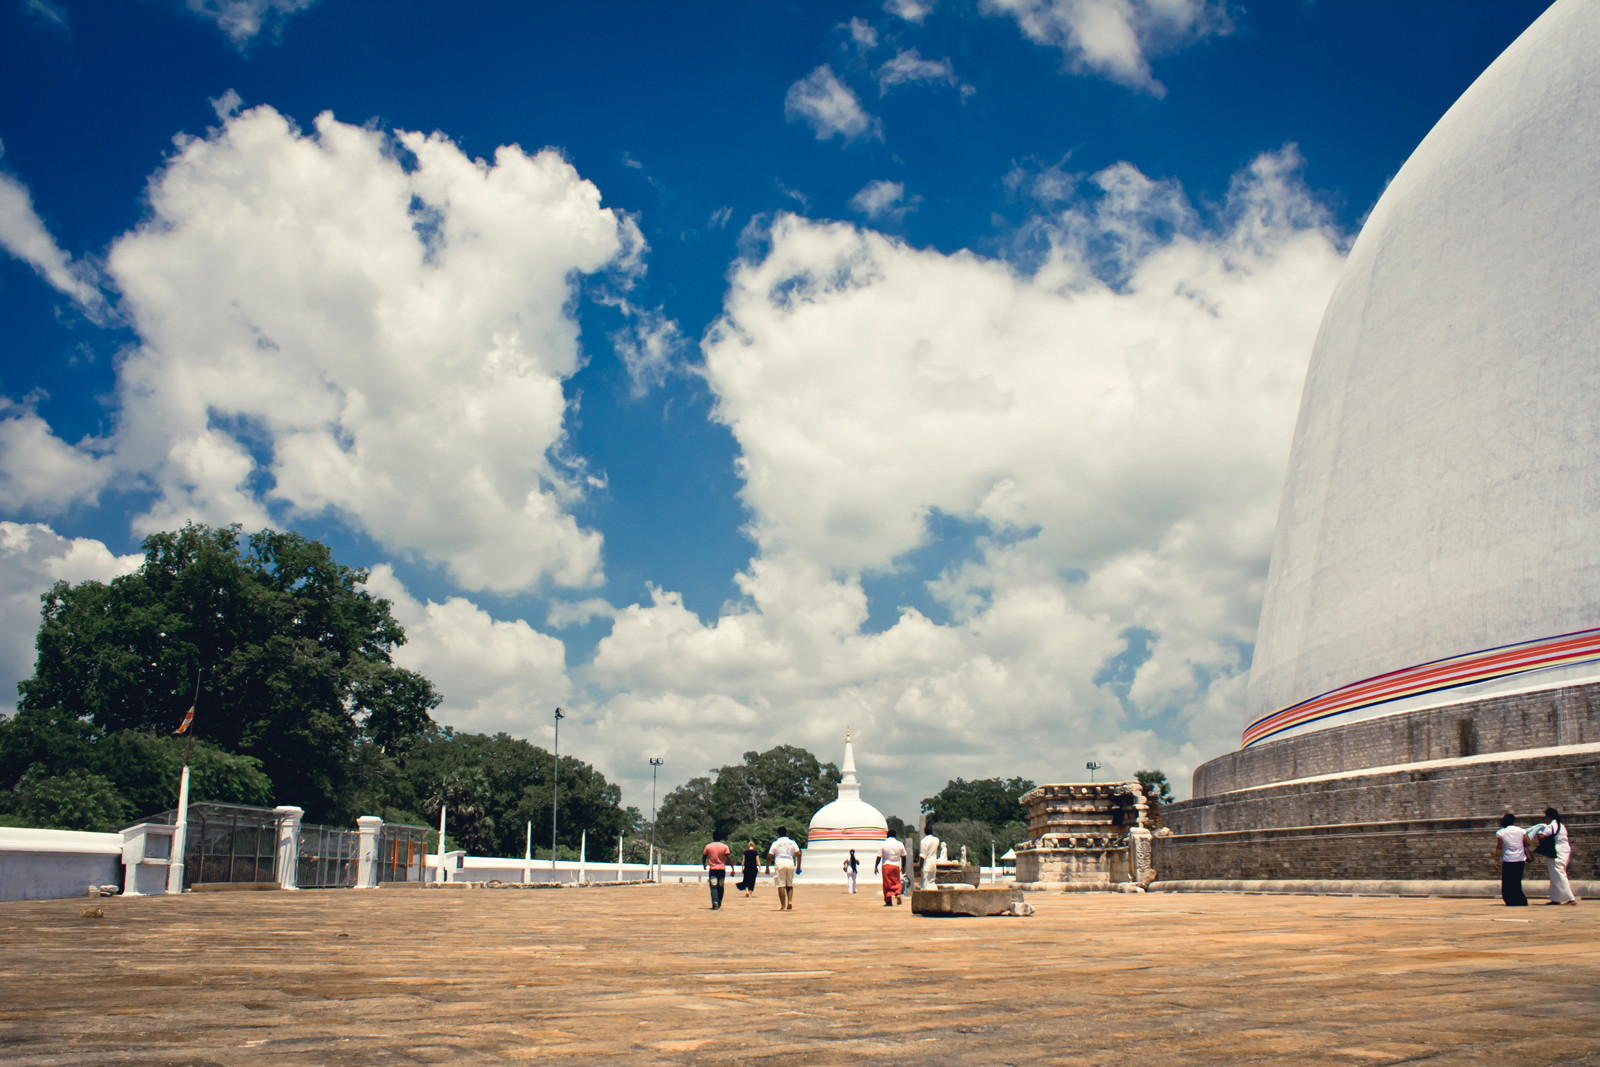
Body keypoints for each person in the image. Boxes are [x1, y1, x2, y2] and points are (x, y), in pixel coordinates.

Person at [1527, 807, 1577, 905]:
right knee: (1555, 875)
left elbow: (1542, 836)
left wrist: (1539, 831)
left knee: (1559, 873)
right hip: (1563, 849)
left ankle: (1570, 898)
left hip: (1557, 851)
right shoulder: (1561, 825)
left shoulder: (1552, 825)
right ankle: (1556, 898)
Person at [1493, 812, 1528, 907]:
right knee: (1517, 881)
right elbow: (1528, 842)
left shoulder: (1501, 832)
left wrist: (1496, 860)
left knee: (1508, 882)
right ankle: (1520, 900)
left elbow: (1499, 847)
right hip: (1520, 859)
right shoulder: (1521, 831)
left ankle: (1510, 900)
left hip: (1508, 860)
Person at [768, 827, 802, 910]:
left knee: (781, 885)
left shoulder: (775, 843)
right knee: (789, 884)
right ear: (787, 833)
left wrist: (767, 866)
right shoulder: (792, 842)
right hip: (790, 862)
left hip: (780, 863)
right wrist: (798, 866)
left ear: (778, 834)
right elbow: (798, 854)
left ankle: (783, 906)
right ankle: (790, 901)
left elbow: (769, 856)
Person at [875, 834, 907, 906]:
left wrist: (876, 866)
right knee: (896, 882)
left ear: (887, 835)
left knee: (887, 884)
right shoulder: (899, 844)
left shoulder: (883, 844)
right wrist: (903, 866)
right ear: (895, 836)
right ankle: (898, 893)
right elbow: (904, 856)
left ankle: (888, 901)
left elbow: (879, 856)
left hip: (886, 866)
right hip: (896, 866)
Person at [702, 836, 731, 910]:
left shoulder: (708, 846)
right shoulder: (724, 846)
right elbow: (728, 857)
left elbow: (704, 856)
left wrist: (704, 864)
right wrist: (732, 867)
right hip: (721, 869)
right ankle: (720, 901)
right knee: (721, 886)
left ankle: (715, 901)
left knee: (713, 886)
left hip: (713, 870)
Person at [918, 822, 941, 890]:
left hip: (926, 864)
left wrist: (920, 867)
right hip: (933, 864)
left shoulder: (923, 841)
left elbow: (922, 856)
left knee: (925, 885)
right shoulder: (936, 840)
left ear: (924, 832)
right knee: (932, 883)